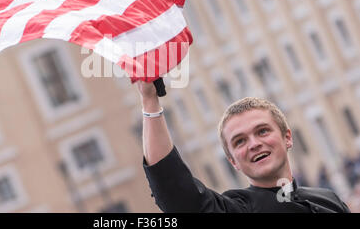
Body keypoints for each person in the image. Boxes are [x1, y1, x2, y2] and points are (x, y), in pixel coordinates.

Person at [136, 81, 350, 213]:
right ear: (233, 161)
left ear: (287, 138)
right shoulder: (238, 208)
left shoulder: (329, 200)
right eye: (240, 141)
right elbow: (176, 192)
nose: (254, 144)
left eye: (262, 131)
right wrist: (150, 101)